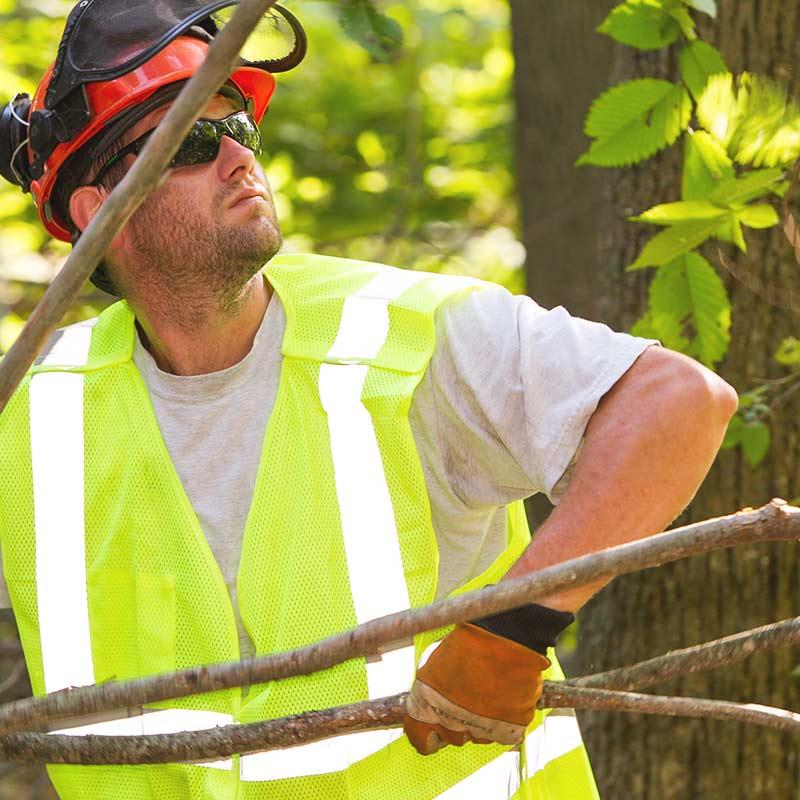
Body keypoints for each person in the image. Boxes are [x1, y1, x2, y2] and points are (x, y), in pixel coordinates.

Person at [0, 3, 738, 798]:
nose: (240, 160)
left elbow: (679, 401)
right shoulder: (33, 412)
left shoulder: (404, 336)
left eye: (240, 129)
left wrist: (513, 629)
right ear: (97, 212)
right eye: (195, 141)